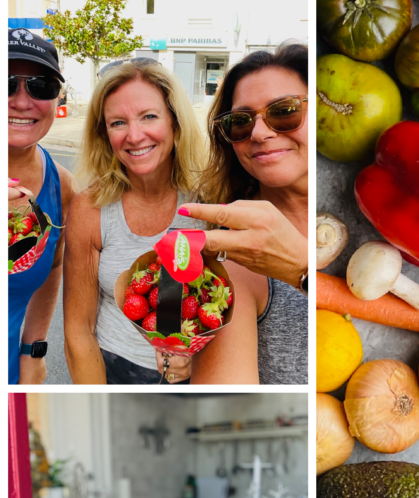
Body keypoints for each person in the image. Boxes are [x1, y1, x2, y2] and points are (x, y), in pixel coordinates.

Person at [63, 59, 226, 385]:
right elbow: (77, 331)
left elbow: (223, 308)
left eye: (149, 116)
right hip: (113, 369)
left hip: (198, 377)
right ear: (104, 134)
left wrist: (194, 366)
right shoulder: (91, 208)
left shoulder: (210, 204)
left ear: (175, 124)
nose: (134, 136)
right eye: (118, 122)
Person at [180, 42, 308, 385]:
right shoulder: (233, 257)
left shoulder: (366, 199)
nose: (260, 132)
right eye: (240, 121)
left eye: (284, 111)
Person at [8, 28, 75, 385]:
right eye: (7, 82)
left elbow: (55, 264)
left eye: (40, 86)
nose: (21, 101)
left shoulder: (61, 185)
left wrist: (33, 349)